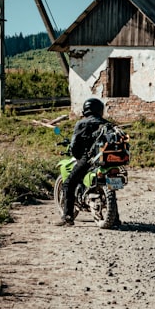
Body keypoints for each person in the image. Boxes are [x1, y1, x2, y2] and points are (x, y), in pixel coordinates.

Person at [56, 97, 114, 227]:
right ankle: (115, 218)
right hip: (105, 159)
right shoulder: (107, 124)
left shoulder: (82, 123)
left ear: (86, 109)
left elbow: (75, 144)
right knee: (111, 188)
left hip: (87, 159)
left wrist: (77, 156)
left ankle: (68, 217)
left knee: (69, 183)